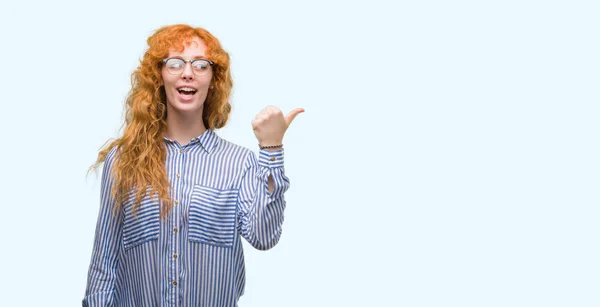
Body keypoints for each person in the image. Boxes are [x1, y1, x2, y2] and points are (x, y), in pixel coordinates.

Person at [82, 24, 303, 307]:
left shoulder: (239, 163)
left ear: (213, 80)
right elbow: (105, 262)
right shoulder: (125, 160)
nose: (188, 72)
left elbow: (264, 236)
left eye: (201, 65)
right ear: (159, 76)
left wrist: (272, 148)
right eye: (175, 63)